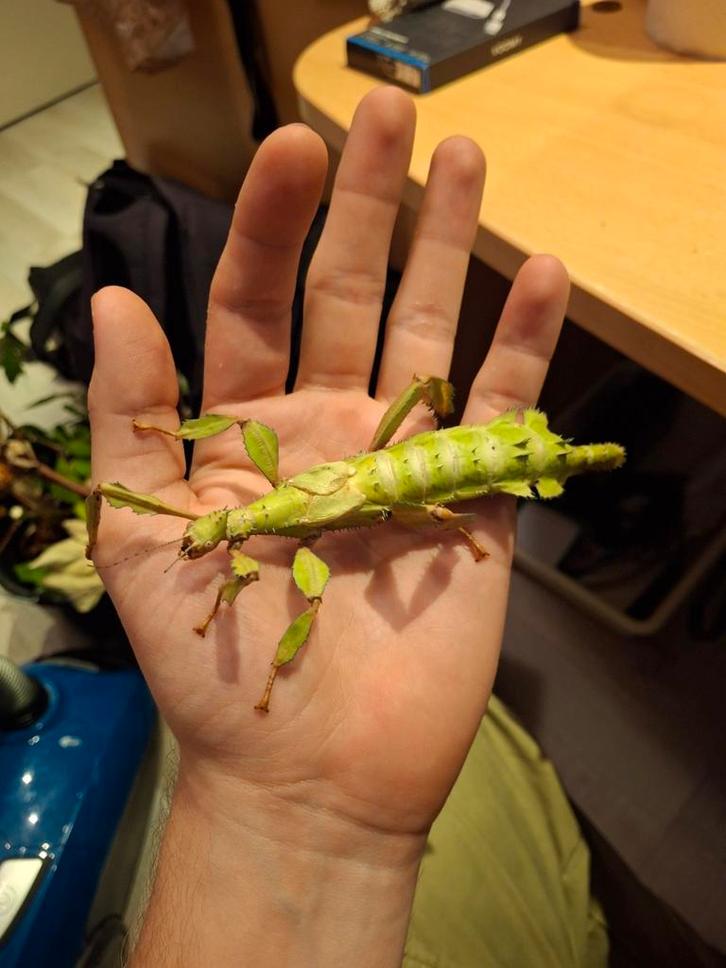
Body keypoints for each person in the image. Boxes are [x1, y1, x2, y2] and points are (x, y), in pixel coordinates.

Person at [88, 86, 575, 966]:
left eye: (220, 540)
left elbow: (269, 578)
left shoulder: (277, 525)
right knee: (420, 492)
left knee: (431, 483)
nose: (219, 547)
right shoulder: (278, 513)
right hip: (409, 478)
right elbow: (264, 572)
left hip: (417, 476)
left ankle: (531, 462)